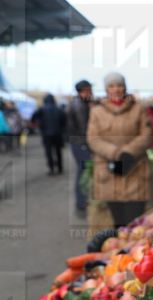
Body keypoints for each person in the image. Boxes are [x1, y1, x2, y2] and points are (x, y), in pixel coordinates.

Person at [87, 72, 152, 228]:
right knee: (118, 223)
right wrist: (115, 153)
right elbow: (93, 139)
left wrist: (128, 152)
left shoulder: (138, 109)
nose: (116, 89)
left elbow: (147, 135)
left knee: (136, 222)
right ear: (106, 89)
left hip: (135, 170)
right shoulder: (97, 112)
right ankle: (120, 252)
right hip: (109, 173)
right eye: (111, 86)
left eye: (119, 85)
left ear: (125, 88)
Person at [67, 80, 94, 216]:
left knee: (83, 171)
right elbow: (85, 128)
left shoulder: (81, 103)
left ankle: (83, 201)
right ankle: (81, 203)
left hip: (78, 143)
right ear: (84, 90)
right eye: (90, 89)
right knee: (83, 171)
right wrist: (90, 145)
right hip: (80, 143)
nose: (92, 92)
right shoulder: (79, 105)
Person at [32, 94, 66, 175]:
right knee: (58, 151)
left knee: (49, 152)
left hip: (46, 134)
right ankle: (60, 168)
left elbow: (33, 117)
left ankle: (51, 169)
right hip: (58, 134)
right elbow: (64, 121)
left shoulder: (42, 109)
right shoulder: (59, 109)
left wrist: (39, 124)